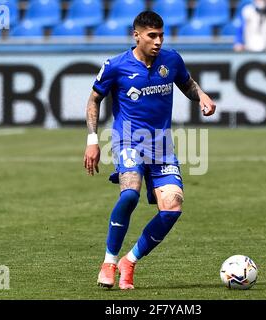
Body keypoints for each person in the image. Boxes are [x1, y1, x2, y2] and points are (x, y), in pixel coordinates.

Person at [83, 11, 216, 290]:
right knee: (130, 194)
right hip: (128, 141)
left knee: (173, 208)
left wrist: (201, 95)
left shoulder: (172, 60)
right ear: (137, 35)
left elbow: (187, 84)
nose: (157, 41)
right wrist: (92, 140)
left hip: (162, 147)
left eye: (161, 36)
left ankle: (129, 261)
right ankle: (109, 261)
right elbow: (94, 100)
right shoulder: (116, 65)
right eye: (151, 36)